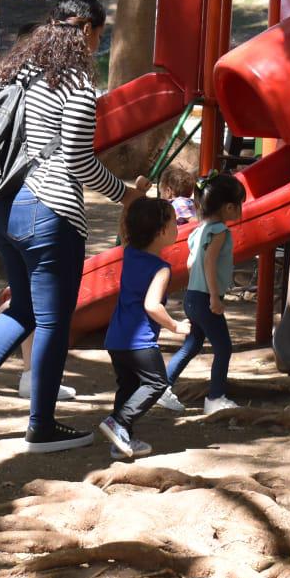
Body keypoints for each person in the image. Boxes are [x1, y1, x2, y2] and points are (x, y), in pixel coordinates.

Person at [0, 0, 149, 453]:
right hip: (48, 213)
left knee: (24, 309)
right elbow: (77, 161)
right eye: (99, 34)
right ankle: (42, 424)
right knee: (53, 321)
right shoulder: (75, 83)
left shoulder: (12, 73)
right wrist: (126, 195)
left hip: (0, 206)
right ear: (90, 33)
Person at [98, 196, 190, 461]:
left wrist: (133, 197)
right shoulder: (161, 268)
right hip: (140, 342)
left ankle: (121, 440)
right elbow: (152, 305)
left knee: (127, 386)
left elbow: (123, 229)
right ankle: (118, 422)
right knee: (157, 382)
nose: (178, 226)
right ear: (161, 231)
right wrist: (175, 326)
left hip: (116, 338)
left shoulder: (129, 251)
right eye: (174, 222)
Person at [164, 173, 246, 414]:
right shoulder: (220, 231)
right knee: (223, 347)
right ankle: (215, 397)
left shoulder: (199, 230)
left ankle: (162, 386)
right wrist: (213, 295)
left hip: (192, 296)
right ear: (229, 207)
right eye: (239, 204)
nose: (240, 209)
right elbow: (209, 262)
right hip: (205, 298)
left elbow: (192, 263)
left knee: (193, 343)